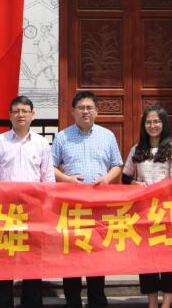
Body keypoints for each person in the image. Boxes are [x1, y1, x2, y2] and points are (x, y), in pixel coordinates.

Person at [52, 91, 123, 308]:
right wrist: (67, 179)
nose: (85, 111)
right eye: (81, 108)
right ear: (73, 112)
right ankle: (72, 302)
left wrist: (107, 178)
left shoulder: (107, 135)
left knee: (97, 254)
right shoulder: (62, 137)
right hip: (72, 206)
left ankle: (97, 301)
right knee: (71, 255)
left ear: (96, 111)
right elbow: (50, 167)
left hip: (98, 206)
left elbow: (117, 164)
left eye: (89, 108)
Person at [0, 95, 55, 308]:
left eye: (25, 111)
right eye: (16, 111)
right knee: (4, 262)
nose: (20, 115)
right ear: (10, 116)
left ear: (33, 115)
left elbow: (48, 179)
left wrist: (46, 209)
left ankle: (31, 303)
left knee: (33, 261)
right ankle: (4, 303)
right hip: (5, 210)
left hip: (33, 211)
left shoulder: (42, 143)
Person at [122, 105, 172, 308]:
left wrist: (157, 190)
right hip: (143, 214)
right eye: (148, 122)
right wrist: (134, 183)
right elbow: (125, 178)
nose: (152, 125)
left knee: (169, 260)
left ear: (164, 124)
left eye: (157, 121)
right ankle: (151, 303)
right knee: (147, 260)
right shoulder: (137, 149)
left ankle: (165, 303)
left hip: (166, 213)